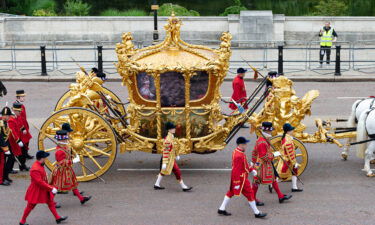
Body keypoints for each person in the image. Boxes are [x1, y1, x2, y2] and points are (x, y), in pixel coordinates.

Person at [218, 137, 267, 218]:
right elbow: (236, 170)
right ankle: (257, 213)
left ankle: (221, 208)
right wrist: (236, 182)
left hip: (241, 177)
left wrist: (251, 169)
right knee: (250, 194)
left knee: (231, 192)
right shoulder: (239, 155)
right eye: (244, 144)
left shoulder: (237, 152)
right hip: (241, 179)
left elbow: (244, 165)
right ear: (240, 144)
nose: (246, 145)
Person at [19, 150, 68, 225]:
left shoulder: (39, 165)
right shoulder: (35, 169)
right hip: (36, 190)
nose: (46, 159)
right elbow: (39, 182)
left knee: (50, 203)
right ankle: (22, 221)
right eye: (45, 158)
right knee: (30, 206)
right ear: (41, 158)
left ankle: (57, 218)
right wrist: (51, 188)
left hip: (43, 188)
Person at [252, 122, 292, 204]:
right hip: (263, 164)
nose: (271, 132)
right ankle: (252, 199)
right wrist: (274, 155)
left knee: (273, 178)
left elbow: (254, 152)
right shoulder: (262, 142)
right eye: (270, 131)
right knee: (257, 181)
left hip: (261, 163)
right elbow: (264, 156)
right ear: (267, 131)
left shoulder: (263, 139)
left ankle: (280, 196)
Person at [50, 130, 91, 205]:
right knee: (57, 187)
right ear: (61, 140)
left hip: (67, 170)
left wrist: (73, 156)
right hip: (61, 171)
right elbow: (61, 162)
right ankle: (50, 201)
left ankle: (81, 199)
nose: (67, 140)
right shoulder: (59, 151)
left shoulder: (64, 147)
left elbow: (68, 155)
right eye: (65, 139)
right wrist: (73, 161)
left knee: (73, 185)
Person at [154, 122, 192, 191]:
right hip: (168, 158)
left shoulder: (171, 137)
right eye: (172, 128)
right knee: (177, 171)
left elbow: (174, 147)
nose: (174, 129)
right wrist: (165, 162)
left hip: (171, 158)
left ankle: (156, 184)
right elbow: (165, 151)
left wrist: (177, 155)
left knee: (163, 171)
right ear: (169, 130)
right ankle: (183, 186)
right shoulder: (168, 140)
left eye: (174, 128)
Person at [278, 123, 303, 192]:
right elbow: (290, 153)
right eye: (291, 130)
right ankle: (272, 184)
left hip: (287, 159)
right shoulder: (288, 140)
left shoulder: (286, 138)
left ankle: (294, 187)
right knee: (282, 176)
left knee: (294, 172)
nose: (293, 131)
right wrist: (294, 162)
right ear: (288, 131)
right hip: (288, 160)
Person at [5, 103, 28, 174]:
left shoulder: (17, 116)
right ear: (14, 111)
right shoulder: (11, 119)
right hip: (11, 140)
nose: (20, 112)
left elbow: (20, 123)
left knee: (20, 152)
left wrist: (23, 128)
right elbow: (13, 132)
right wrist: (18, 140)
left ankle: (20, 166)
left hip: (17, 138)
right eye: (19, 111)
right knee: (11, 156)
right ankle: (9, 169)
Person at [15, 90, 33, 160]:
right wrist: (23, 128)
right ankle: (22, 155)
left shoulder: (20, 105)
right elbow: (19, 118)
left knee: (27, 140)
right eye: (22, 97)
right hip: (21, 127)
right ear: (18, 97)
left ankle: (25, 153)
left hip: (25, 125)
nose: (24, 98)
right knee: (24, 141)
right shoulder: (16, 106)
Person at [0, 109, 11, 186]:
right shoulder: (1, 124)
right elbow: (0, 137)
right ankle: (0, 180)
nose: (9, 117)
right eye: (8, 116)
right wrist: (5, 147)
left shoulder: (4, 123)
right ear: (4, 116)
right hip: (1, 147)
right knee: (1, 164)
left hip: (3, 146)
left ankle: (3, 178)